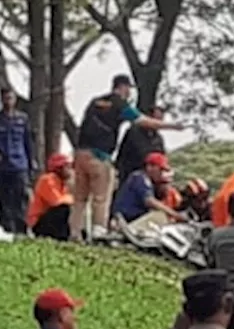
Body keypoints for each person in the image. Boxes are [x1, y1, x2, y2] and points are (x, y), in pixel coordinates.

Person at [70, 75, 183, 241]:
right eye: (128, 88)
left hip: (80, 153)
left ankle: (74, 233)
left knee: (80, 197)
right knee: (101, 197)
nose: (129, 92)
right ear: (123, 87)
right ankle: (98, 231)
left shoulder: (95, 102)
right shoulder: (119, 104)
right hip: (100, 156)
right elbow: (142, 120)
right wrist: (172, 126)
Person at [0, 88, 34, 233]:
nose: (8, 101)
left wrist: (31, 163)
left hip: (19, 164)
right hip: (1, 165)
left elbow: (28, 142)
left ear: (15, 100)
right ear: (1, 99)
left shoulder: (22, 118)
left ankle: (21, 228)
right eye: (6, 98)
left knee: (20, 197)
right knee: (3, 196)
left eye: (11, 98)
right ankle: (6, 226)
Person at [111, 152, 179, 227]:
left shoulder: (148, 182)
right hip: (125, 219)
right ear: (149, 167)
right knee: (159, 216)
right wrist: (175, 214)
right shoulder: (140, 178)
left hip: (131, 219)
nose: (161, 173)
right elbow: (149, 201)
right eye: (160, 169)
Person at [114, 104, 168, 183]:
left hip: (151, 179)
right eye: (156, 120)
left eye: (160, 120)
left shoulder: (158, 139)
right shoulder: (134, 132)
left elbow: (162, 158)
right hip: (130, 176)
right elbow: (123, 155)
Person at [28, 153, 74, 241]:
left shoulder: (62, 183)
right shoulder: (48, 179)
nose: (71, 170)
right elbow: (56, 201)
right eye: (68, 167)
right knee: (63, 208)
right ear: (59, 168)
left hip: (49, 218)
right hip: (39, 222)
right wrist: (74, 199)